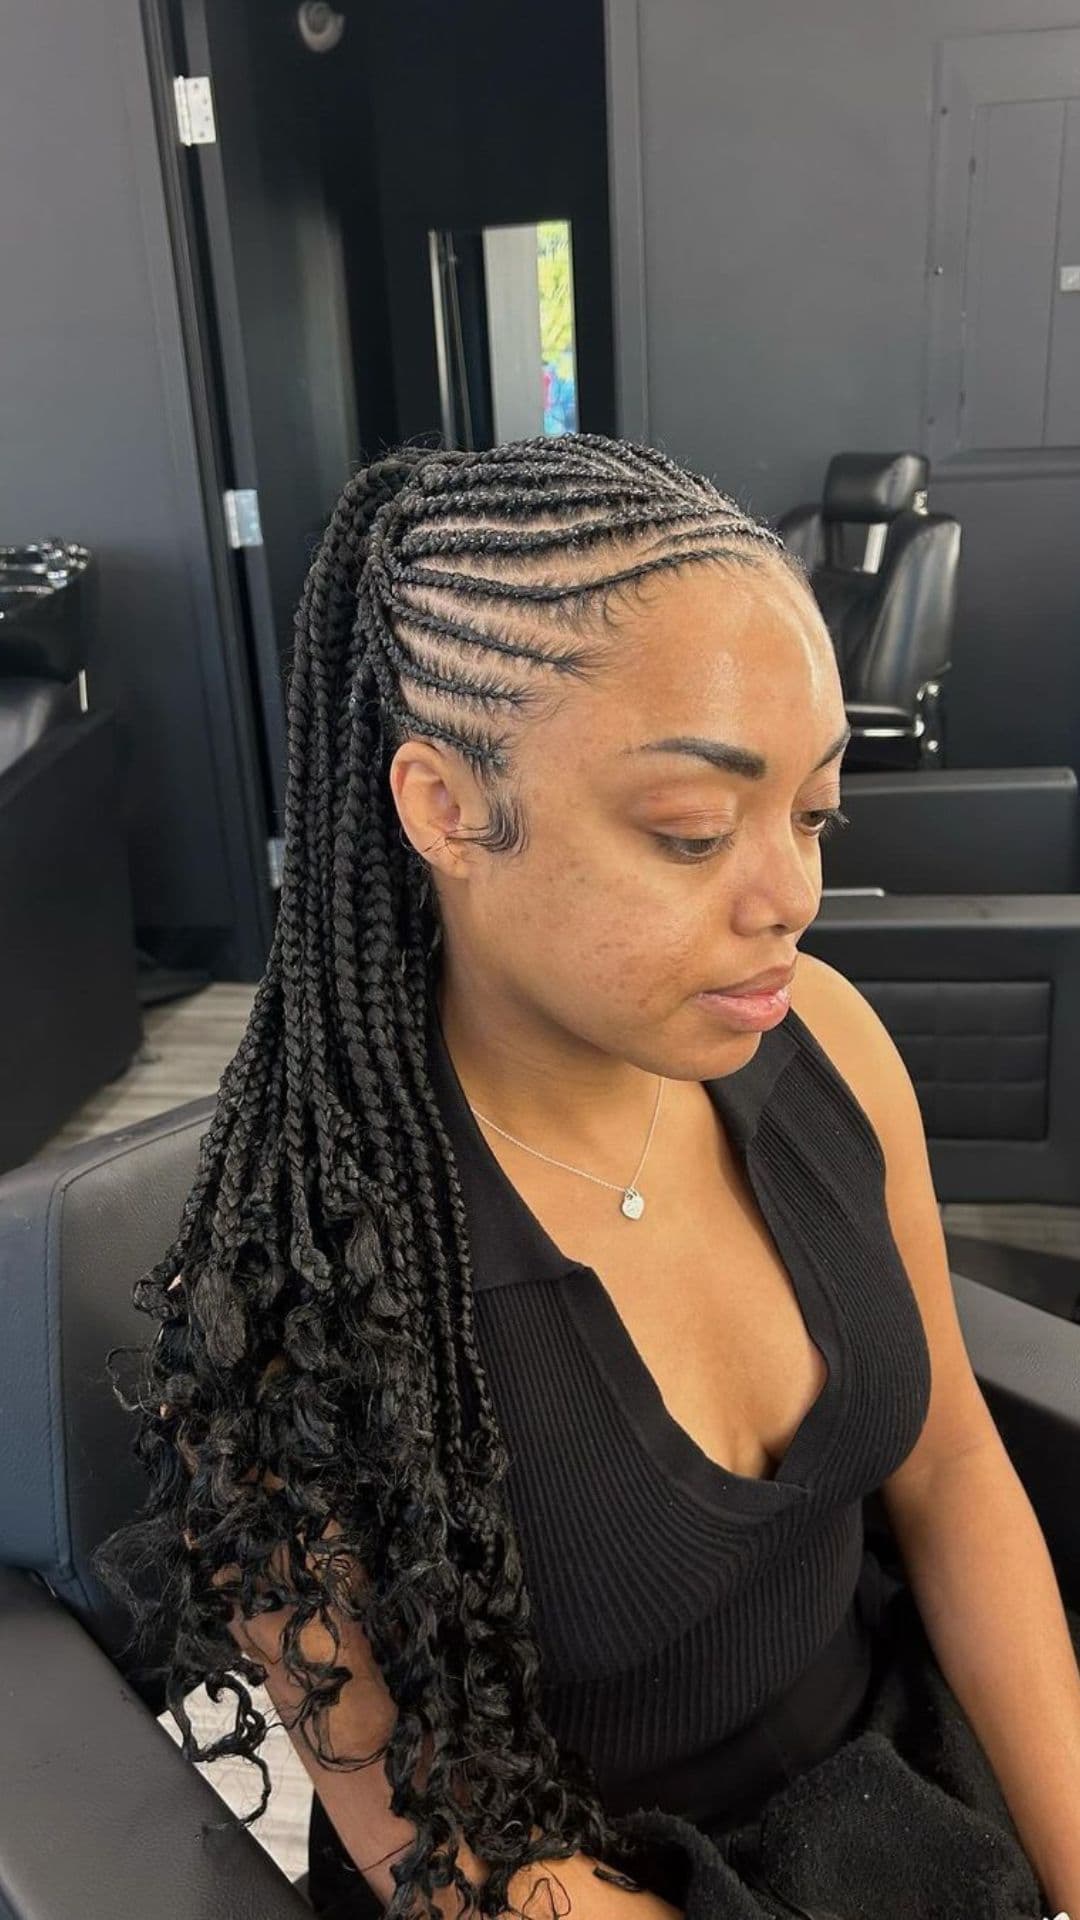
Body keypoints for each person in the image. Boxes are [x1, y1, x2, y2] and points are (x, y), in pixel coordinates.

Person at [90, 433, 1065, 1919]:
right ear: (444, 806)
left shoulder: (832, 1048)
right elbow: (469, 1867)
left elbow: (952, 1474)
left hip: (904, 1795)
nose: (789, 896)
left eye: (814, 813)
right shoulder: (306, 1285)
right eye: (692, 831)